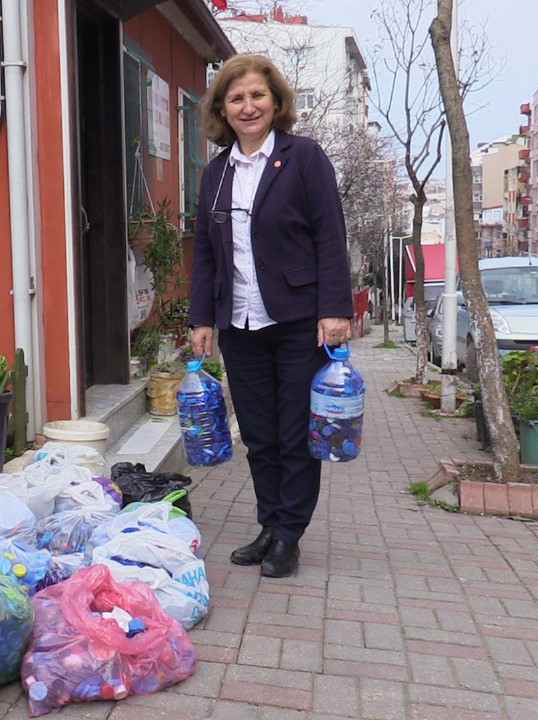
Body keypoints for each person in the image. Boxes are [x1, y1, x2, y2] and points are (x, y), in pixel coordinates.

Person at [188, 54, 354, 578]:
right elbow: (207, 253)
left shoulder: (303, 158)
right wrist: (202, 319)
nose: (248, 106)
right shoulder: (215, 173)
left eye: (257, 95)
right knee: (258, 433)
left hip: (298, 320)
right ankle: (269, 524)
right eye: (236, 98)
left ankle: (288, 535)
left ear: (276, 102)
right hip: (239, 323)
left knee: (293, 433)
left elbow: (330, 235)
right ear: (223, 109)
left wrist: (335, 310)